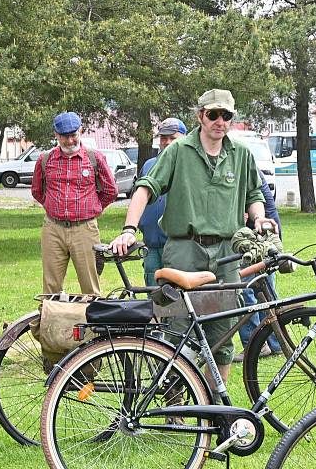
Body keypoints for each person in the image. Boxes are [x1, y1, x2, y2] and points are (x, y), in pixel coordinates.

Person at [111, 88, 277, 387]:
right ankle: (175, 411)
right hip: (183, 250)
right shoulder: (178, 151)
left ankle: (217, 409)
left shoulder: (241, 154)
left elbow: (253, 193)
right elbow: (145, 188)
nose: (220, 121)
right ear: (200, 116)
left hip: (227, 255)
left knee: (222, 335)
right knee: (175, 333)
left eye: (226, 115)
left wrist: (260, 216)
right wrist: (128, 230)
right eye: (213, 114)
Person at [31, 112, 118, 295]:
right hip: (53, 229)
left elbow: (111, 191)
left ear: (81, 131)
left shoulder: (94, 158)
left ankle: (91, 323)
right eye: (64, 136)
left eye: (73, 135)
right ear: (56, 135)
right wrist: (54, 207)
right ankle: (51, 323)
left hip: (85, 229)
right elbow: (37, 191)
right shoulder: (45, 159)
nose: (70, 141)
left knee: (90, 287)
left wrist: (93, 209)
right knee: (50, 288)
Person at [233, 170, 282, 362]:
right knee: (265, 292)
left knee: (248, 292)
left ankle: (256, 345)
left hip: (257, 239)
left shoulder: (243, 171)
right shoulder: (252, 171)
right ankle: (275, 342)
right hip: (264, 237)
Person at [138, 117, 187, 286]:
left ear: (184, 138)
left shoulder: (188, 165)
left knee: (177, 295)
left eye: (172, 138)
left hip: (177, 245)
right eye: (163, 138)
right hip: (151, 243)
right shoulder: (149, 164)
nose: (167, 142)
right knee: (152, 294)